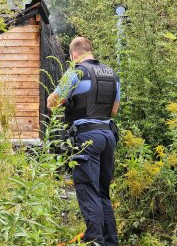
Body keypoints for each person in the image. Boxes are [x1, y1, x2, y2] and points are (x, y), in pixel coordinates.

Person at [47, 37, 120, 246]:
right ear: (90, 50)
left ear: (74, 55)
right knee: (102, 192)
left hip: (87, 138)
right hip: (108, 136)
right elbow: (114, 111)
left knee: (88, 191)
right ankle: (110, 242)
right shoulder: (112, 75)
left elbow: (51, 102)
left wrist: (67, 99)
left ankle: (95, 242)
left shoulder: (76, 72)